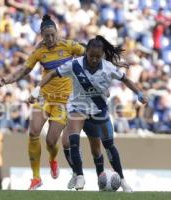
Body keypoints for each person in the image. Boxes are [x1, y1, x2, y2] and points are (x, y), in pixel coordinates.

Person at [30, 35, 148, 192]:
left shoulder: (108, 67)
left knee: (105, 146)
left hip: (98, 110)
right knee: (72, 140)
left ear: (102, 56)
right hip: (77, 108)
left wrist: (139, 93)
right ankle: (79, 175)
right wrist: (38, 88)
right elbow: (52, 73)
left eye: (97, 57)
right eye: (91, 56)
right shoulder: (74, 65)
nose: (94, 59)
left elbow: (125, 79)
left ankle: (122, 179)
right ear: (86, 53)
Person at [0, 14, 85, 190]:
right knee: (33, 131)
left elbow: (90, 53)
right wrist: (7, 80)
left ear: (57, 32)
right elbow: (24, 70)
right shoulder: (40, 51)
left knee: (52, 141)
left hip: (63, 101)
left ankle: (52, 159)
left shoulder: (69, 46)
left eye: (53, 35)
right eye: (46, 36)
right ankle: (36, 178)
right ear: (42, 36)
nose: (50, 39)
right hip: (44, 96)